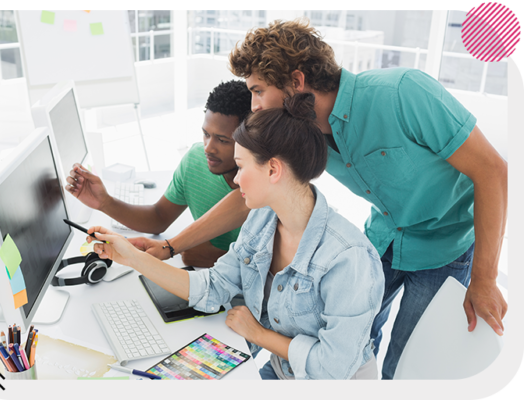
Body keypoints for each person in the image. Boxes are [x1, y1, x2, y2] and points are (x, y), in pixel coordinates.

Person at [127, 19, 508, 380]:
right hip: (386, 235)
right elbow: (254, 195)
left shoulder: (403, 93)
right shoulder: (305, 130)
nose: (254, 105)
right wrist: (170, 246)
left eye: (258, 91)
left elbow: (492, 170)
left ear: (296, 81)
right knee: (355, 343)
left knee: (406, 365)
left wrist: (485, 277)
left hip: (446, 244)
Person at [86, 92, 384, 380]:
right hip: (284, 369)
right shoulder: (262, 219)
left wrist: (259, 335)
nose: (237, 179)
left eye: (241, 167)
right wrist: (132, 257)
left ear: (273, 170)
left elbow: (333, 369)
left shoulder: (348, 258)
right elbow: (214, 286)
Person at [65, 80, 251, 267]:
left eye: (222, 140)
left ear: (249, 139)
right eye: (206, 134)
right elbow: (159, 217)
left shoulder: (264, 189)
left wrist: (217, 258)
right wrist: (105, 202)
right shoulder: (195, 160)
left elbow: (272, 265)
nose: (208, 148)